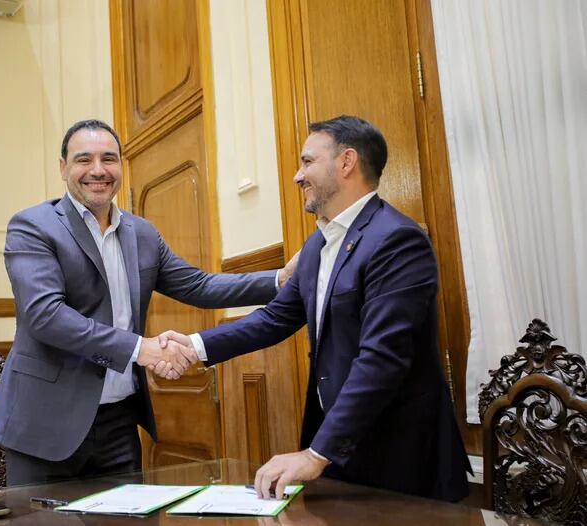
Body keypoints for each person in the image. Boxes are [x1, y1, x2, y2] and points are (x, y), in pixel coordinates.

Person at [158, 115, 471, 502]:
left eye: (307, 162)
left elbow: (382, 358)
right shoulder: (317, 244)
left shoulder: (396, 240)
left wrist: (315, 453)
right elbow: (275, 318)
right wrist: (193, 346)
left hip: (400, 454)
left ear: (346, 162)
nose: (297, 176)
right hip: (340, 449)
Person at [0, 119, 298, 486]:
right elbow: (46, 316)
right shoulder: (33, 226)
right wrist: (142, 349)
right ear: (63, 168)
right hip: (44, 423)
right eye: (84, 159)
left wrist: (278, 280)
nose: (98, 170)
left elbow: (199, 286)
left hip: (119, 424)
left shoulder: (143, 234)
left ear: (121, 166)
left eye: (109, 158)